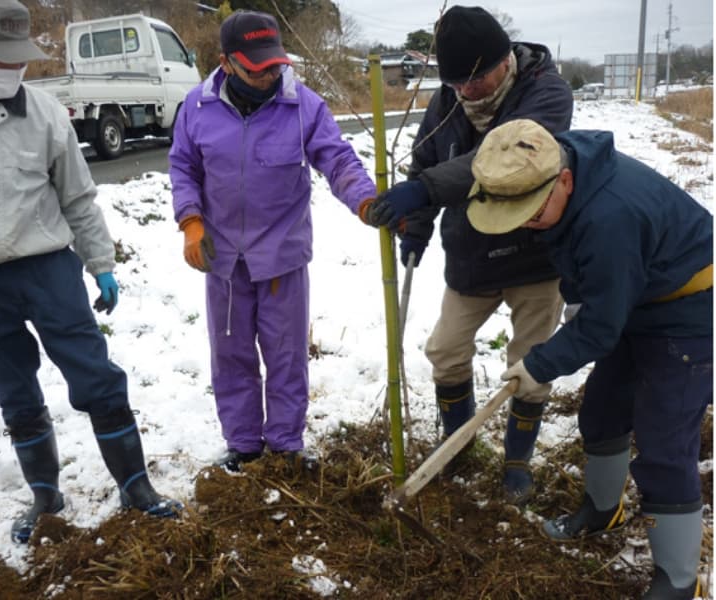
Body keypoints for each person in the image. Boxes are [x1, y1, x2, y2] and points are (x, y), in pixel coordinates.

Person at [0, 0, 180, 544]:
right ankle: (45, 495)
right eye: (1, 59)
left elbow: (79, 198)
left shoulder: (45, 115)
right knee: (14, 391)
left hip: (48, 271)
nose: (12, 71)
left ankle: (135, 485)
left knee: (96, 375)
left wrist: (100, 263)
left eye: (19, 61)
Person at [466, 118, 712, 600]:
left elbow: (601, 326)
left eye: (532, 213)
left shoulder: (609, 216)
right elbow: (591, 285)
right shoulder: (562, 163)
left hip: (689, 309)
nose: (528, 224)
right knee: (601, 411)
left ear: (562, 181)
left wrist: (539, 362)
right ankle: (602, 511)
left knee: (664, 442)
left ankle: (678, 580)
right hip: (637, 297)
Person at [361, 5, 573, 503]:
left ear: (504, 61)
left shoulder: (546, 93)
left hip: (534, 253)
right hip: (472, 255)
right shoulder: (447, 101)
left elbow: (503, 161)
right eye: (455, 82)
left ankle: (517, 463)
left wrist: (428, 188)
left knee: (530, 364)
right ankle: (458, 444)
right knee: (445, 351)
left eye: (474, 79)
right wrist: (417, 225)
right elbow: (425, 162)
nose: (466, 91)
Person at [169, 10, 376, 472]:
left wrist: (364, 200)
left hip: (281, 257)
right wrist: (191, 221)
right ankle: (243, 444)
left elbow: (337, 159)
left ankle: (285, 445)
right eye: (255, 68)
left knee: (286, 356)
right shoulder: (196, 109)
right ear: (226, 63)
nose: (267, 76)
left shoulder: (303, 106)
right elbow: (183, 166)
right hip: (221, 258)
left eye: (274, 65)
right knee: (231, 354)